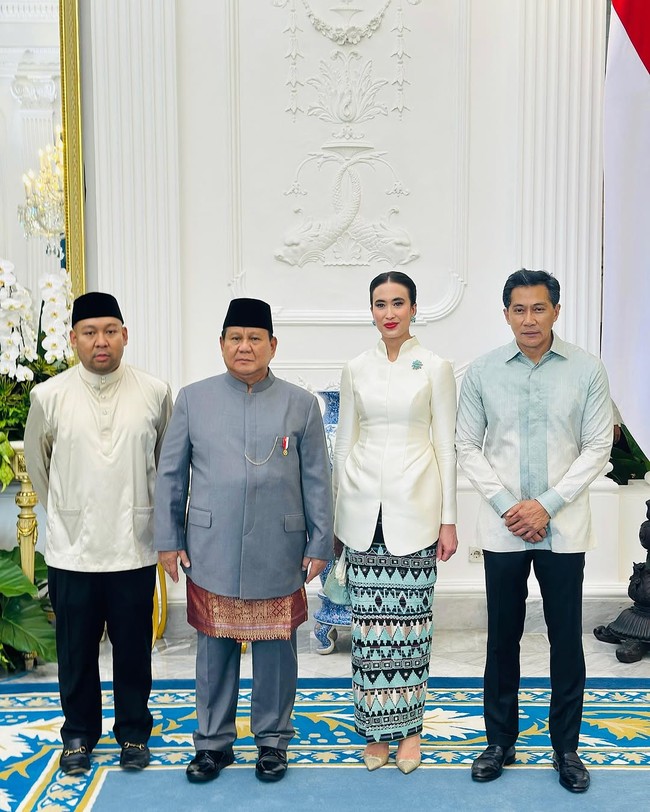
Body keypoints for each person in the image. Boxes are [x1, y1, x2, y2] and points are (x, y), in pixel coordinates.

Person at [154, 297, 333, 784]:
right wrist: (168, 539)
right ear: (221, 345)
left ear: (273, 345)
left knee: (277, 647)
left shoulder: (301, 403)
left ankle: (273, 742)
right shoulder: (194, 398)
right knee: (213, 648)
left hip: (281, 544)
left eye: (255, 338)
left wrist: (320, 543)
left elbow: (319, 478)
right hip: (210, 543)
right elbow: (171, 475)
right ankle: (213, 744)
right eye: (235, 337)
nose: (245, 346)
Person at [455, 269, 613, 794]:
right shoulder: (480, 372)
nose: (529, 319)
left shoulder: (587, 370)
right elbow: (467, 447)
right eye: (519, 310)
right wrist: (509, 507)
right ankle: (498, 740)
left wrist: (544, 506)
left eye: (539, 309)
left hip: (563, 529)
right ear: (505, 314)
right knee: (502, 637)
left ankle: (566, 748)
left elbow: (596, 448)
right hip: (503, 531)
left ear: (556, 311)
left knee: (566, 638)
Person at [24, 292, 173, 775]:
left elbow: (165, 465)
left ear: (125, 335)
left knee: (134, 651)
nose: (101, 341)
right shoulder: (49, 396)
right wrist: (67, 512)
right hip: (73, 549)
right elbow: (37, 465)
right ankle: (78, 736)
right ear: (73, 339)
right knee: (76, 652)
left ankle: (133, 734)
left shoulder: (154, 391)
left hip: (133, 545)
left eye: (110, 330)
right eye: (89, 332)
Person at [332, 271, 458, 774]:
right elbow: (343, 442)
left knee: (409, 633)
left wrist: (448, 519)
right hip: (362, 511)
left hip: (417, 507)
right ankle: (375, 733)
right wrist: (337, 516)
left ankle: (409, 732)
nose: (389, 312)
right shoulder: (355, 367)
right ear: (370, 309)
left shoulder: (437, 366)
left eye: (399, 302)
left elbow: (445, 446)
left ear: (413, 308)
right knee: (369, 634)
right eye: (380, 303)